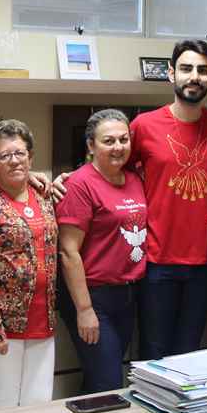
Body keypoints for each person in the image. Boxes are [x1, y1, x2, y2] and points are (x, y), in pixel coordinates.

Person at [129, 39, 207, 359]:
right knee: (153, 351)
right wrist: (67, 181)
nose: (194, 76)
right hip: (156, 260)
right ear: (171, 74)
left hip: (205, 263)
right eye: (186, 68)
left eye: (203, 70)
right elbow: (112, 173)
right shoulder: (144, 126)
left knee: (189, 353)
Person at [0, 119, 57, 409]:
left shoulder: (44, 195)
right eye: (5, 155)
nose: (15, 161)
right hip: (0, 325)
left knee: (39, 405)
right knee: (5, 404)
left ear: (31, 156)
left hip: (43, 321)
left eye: (20, 153)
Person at [57, 109, 147, 393]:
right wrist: (84, 310)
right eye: (108, 141)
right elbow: (68, 252)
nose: (118, 147)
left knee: (101, 378)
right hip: (93, 297)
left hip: (127, 294)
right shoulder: (79, 185)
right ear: (90, 146)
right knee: (108, 383)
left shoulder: (134, 178)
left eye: (124, 139)